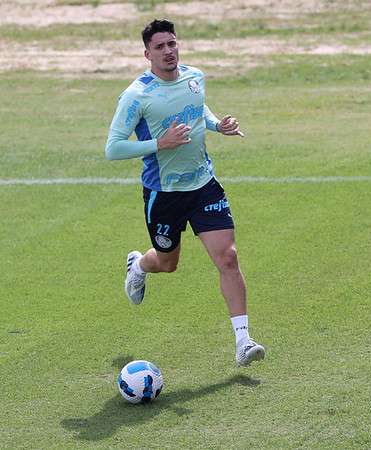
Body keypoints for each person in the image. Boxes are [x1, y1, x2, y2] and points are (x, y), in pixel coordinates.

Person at [105, 19, 265, 367]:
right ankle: (139, 265)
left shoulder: (195, 77)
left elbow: (197, 111)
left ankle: (243, 341)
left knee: (228, 258)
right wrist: (159, 144)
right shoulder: (137, 96)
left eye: (172, 44)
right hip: (164, 193)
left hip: (204, 185)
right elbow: (113, 148)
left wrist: (217, 124)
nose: (168, 51)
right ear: (147, 53)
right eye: (160, 47)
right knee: (167, 263)